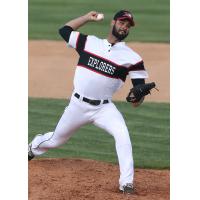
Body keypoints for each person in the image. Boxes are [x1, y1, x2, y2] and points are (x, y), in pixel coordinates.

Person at [28, 10, 148, 194]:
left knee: (123, 136)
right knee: (55, 140)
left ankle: (127, 184)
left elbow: (136, 101)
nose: (124, 27)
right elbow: (64, 31)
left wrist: (137, 97)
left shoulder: (133, 58)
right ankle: (32, 148)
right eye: (122, 22)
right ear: (113, 22)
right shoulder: (89, 42)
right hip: (77, 105)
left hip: (104, 108)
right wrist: (86, 18)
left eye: (128, 25)